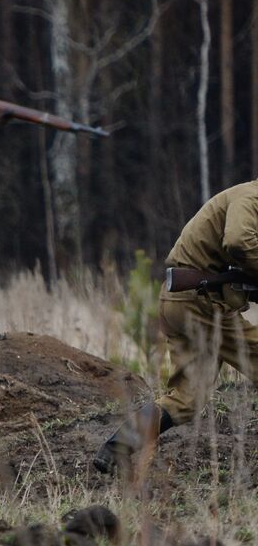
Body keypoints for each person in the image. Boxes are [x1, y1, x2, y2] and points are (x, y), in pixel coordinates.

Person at [95, 180, 258, 474]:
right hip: (203, 305)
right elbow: (238, 242)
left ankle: (117, 446)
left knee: (187, 400)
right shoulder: (251, 197)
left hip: (185, 303)